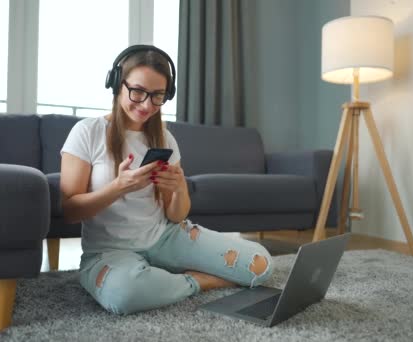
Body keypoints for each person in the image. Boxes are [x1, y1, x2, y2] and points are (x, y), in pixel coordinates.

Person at [60, 45, 273, 315]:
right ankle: (196, 280)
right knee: (124, 294)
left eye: (157, 95)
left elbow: (177, 215)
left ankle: (160, 277)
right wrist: (118, 187)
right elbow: (69, 211)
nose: (147, 104)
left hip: (166, 238)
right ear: (116, 84)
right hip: (109, 251)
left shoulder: (164, 138)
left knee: (261, 265)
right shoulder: (87, 132)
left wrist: (178, 188)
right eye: (137, 91)